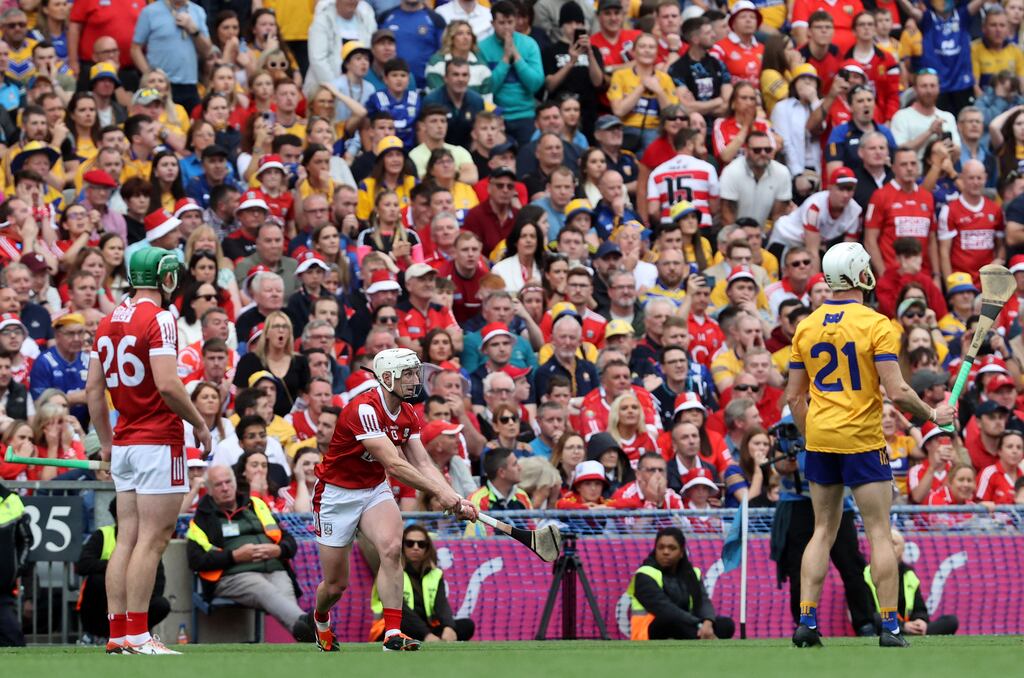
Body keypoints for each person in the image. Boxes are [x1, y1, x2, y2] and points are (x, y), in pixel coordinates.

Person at [786, 242, 956, 648]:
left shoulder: (806, 326)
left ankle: (806, 622)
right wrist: (933, 416)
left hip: (822, 439)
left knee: (822, 530)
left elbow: (794, 398)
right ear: (862, 274)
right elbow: (897, 391)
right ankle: (890, 626)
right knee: (879, 531)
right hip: (862, 439)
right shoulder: (877, 324)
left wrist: (815, 438)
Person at [85, 248, 211, 655]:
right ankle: (139, 635)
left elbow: (93, 392)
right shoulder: (159, 318)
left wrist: (106, 443)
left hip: (123, 442)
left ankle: (119, 632)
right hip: (158, 440)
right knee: (151, 541)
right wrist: (200, 423)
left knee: (127, 539)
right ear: (166, 278)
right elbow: (169, 385)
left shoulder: (106, 321)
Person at [310, 348, 477, 652]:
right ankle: (321, 619)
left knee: (390, 549)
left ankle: (392, 634)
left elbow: (424, 463)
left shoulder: (409, 413)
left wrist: (456, 498)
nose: (415, 380)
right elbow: (395, 464)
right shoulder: (364, 409)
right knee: (335, 585)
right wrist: (441, 494)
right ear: (387, 378)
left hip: (373, 488)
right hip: (336, 494)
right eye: (408, 374)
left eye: (416, 373)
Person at [186, 464, 314, 642]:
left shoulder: (256, 506)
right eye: (218, 485)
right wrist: (235, 556)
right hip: (233, 575)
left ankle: (306, 632)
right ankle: (313, 625)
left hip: (274, 568)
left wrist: (278, 549)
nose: (225, 488)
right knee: (266, 591)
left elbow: (289, 541)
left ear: (235, 483)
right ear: (209, 490)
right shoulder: (203, 518)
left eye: (228, 482)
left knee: (284, 597)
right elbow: (196, 560)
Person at [74, 499, 171, 643]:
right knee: (97, 581)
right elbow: (82, 565)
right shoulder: (103, 535)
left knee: (161, 604)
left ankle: (136, 634)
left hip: (135, 602)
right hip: (104, 603)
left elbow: (158, 580)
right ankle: (97, 635)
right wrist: (116, 567)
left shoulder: (146, 542)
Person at [626, 526, 735, 640]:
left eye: (672, 548)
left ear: (681, 552)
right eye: (661, 547)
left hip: (686, 624)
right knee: (670, 620)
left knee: (726, 625)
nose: (666, 552)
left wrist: (708, 622)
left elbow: (702, 601)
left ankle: (703, 635)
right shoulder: (645, 574)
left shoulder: (692, 573)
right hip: (650, 631)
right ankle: (704, 637)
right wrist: (698, 624)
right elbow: (665, 609)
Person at [370, 524, 475, 642]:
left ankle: (433, 639)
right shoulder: (389, 573)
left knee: (466, 625)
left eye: (421, 544)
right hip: (393, 629)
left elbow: (442, 605)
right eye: (410, 543)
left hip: (426, 627)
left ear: (427, 548)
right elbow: (403, 611)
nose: (416, 547)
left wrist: (448, 627)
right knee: (400, 617)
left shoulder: (435, 574)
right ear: (402, 546)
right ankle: (428, 639)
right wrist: (426, 635)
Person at [864, 529, 959, 635]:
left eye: (893, 543)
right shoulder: (866, 574)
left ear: (902, 550)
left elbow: (920, 609)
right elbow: (867, 614)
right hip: (883, 628)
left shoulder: (909, 575)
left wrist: (920, 621)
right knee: (874, 618)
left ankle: (914, 632)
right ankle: (901, 631)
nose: (889, 547)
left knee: (951, 621)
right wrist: (903, 625)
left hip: (908, 626)